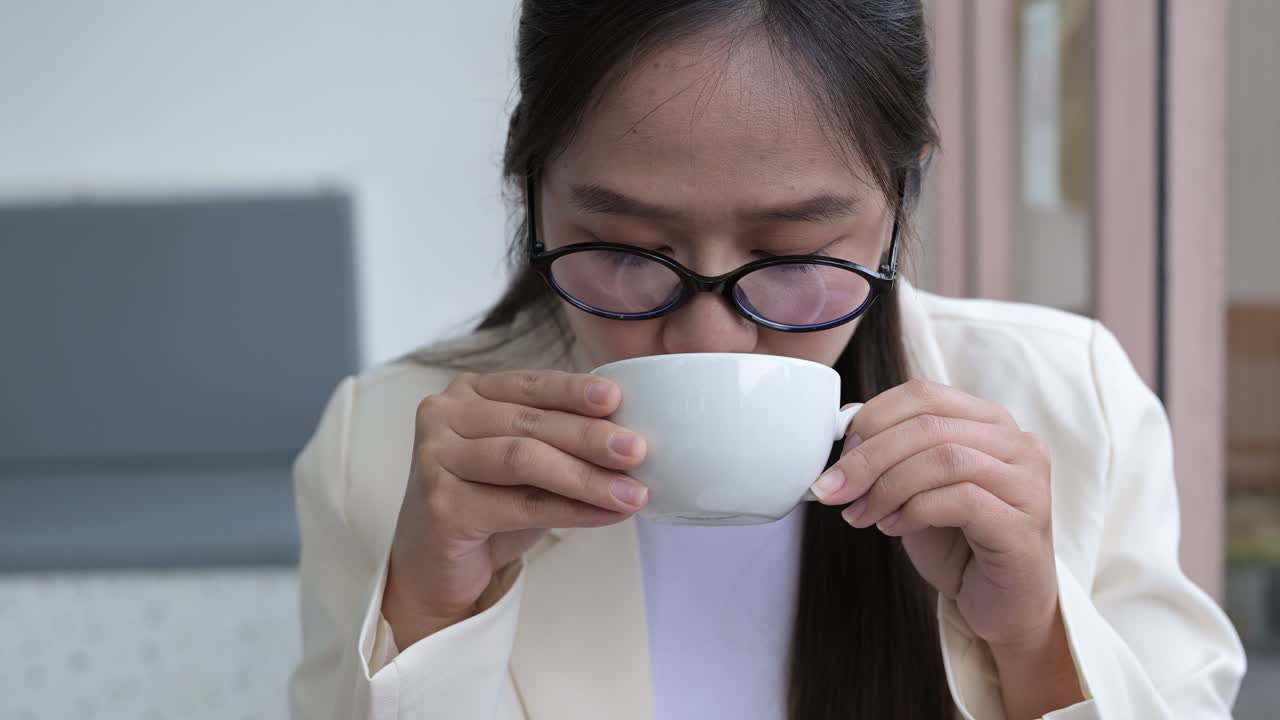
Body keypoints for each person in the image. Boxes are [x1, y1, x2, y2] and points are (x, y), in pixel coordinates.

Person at [288, 1, 1245, 718]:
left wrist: (1035, 637)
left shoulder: (1071, 404)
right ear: (530, 190)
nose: (711, 340)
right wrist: (428, 618)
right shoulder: (388, 446)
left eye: (792, 258)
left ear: (901, 197)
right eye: (626, 252)